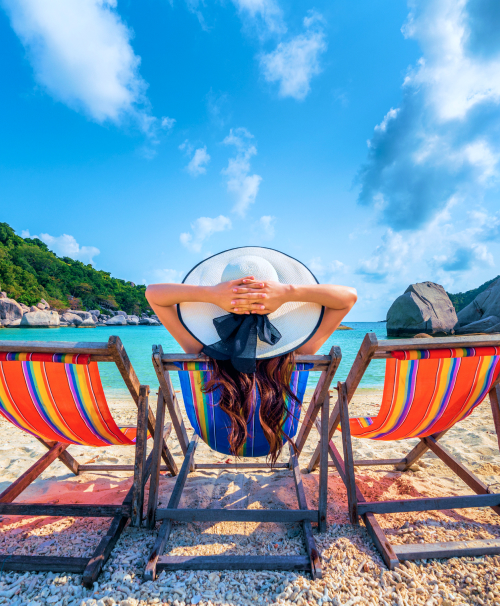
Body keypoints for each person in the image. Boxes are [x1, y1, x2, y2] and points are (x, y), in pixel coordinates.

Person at [146, 247, 356, 464]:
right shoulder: (300, 352)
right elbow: (349, 297)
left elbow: (153, 293)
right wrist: (288, 292)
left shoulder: (198, 348)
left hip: (216, 438)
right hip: (275, 437)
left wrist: (211, 294)